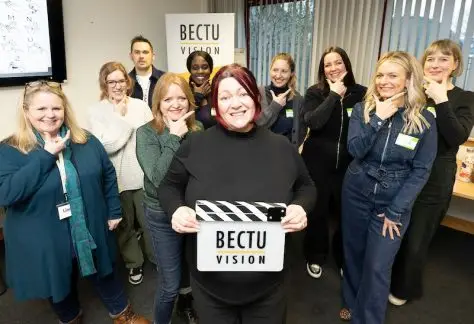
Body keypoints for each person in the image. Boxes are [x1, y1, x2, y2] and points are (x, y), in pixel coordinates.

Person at [158, 64, 316, 324]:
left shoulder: (281, 147)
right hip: (209, 288)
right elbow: (168, 187)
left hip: (269, 288)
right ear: (215, 106)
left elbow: (307, 186)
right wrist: (176, 209)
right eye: (225, 97)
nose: (235, 104)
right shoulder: (195, 144)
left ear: (255, 98)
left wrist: (300, 207)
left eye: (243, 94)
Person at [0, 80, 150, 324]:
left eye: (56, 108)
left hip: (88, 221)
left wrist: (113, 210)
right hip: (44, 233)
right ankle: (70, 317)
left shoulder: (85, 140)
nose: (50, 115)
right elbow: (6, 194)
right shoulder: (10, 149)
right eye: (41, 109)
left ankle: (123, 313)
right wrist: (45, 156)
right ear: (26, 111)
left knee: (105, 269)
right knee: (58, 278)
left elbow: (108, 174)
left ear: (65, 110)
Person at [340, 51, 437, 323]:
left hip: (393, 201)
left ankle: (368, 318)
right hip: (356, 191)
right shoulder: (364, 110)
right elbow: (355, 149)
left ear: (408, 80)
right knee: (354, 254)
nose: (383, 81)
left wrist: (396, 211)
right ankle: (350, 300)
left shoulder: (425, 120)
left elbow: (421, 170)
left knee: (378, 265)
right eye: (380, 75)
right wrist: (378, 119)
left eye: (392, 75)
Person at [390, 40, 474, 306]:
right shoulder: (415, 93)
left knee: (417, 238)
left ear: (455, 65)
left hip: (435, 177)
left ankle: (404, 287)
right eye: (430, 59)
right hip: (404, 171)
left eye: (444, 59)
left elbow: (456, 137)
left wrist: (441, 99)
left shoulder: (464, 98)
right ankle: (385, 277)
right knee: (395, 231)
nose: (436, 64)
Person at [136, 73, 201, 324]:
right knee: (170, 283)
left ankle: (186, 307)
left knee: (191, 271)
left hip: (192, 212)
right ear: (158, 103)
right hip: (161, 214)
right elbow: (158, 177)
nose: (176, 104)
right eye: (168, 99)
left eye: (182, 98)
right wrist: (174, 136)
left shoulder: (197, 129)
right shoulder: (146, 133)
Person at [301, 47, 366, 279]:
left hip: (348, 165)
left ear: (346, 64)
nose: (333, 68)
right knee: (317, 212)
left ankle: (342, 257)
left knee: (344, 214)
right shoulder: (315, 93)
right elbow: (313, 122)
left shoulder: (361, 93)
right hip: (316, 162)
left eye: (337, 62)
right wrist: (333, 96)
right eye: (328, 64)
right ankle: (315, 255)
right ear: (322, 69)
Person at [88, 62, 154, 286]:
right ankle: (134, 263)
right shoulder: (96, 111)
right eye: (111, 81)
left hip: (143, 175)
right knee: (124, 226)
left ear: (128, 82)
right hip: (116, 180)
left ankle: (156, 257)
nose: (117, 86)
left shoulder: (141, 106)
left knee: (149, 223)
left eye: (121, 80)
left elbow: (150, 139)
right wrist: (124, 121)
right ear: (104, 84)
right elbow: (106, 146)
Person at [256, 52, 306, 148]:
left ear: (291, 73)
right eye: (275, 70)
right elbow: (256, 127)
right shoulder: (259, 93)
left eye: (284, 71)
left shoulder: (298, 99)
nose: (278, 75)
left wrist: (290, 151)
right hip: (262, 153)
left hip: (286, 155)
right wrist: (275, 106)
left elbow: (301, 132)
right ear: (270, 70)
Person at [129, 35, 165, 108]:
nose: (141, 56)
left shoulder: (165, 79)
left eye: (145, 52)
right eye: (137, 52)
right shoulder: (125, 81)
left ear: (153, 56)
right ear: (131, 56)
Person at [186, 50, 217, 129]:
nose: (200, 71)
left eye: (205, 67)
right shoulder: (184, 92)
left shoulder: (217, 92)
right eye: (195, 68)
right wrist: (197, 96)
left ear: (211, 70)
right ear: (190, 70)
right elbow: (184, 120)